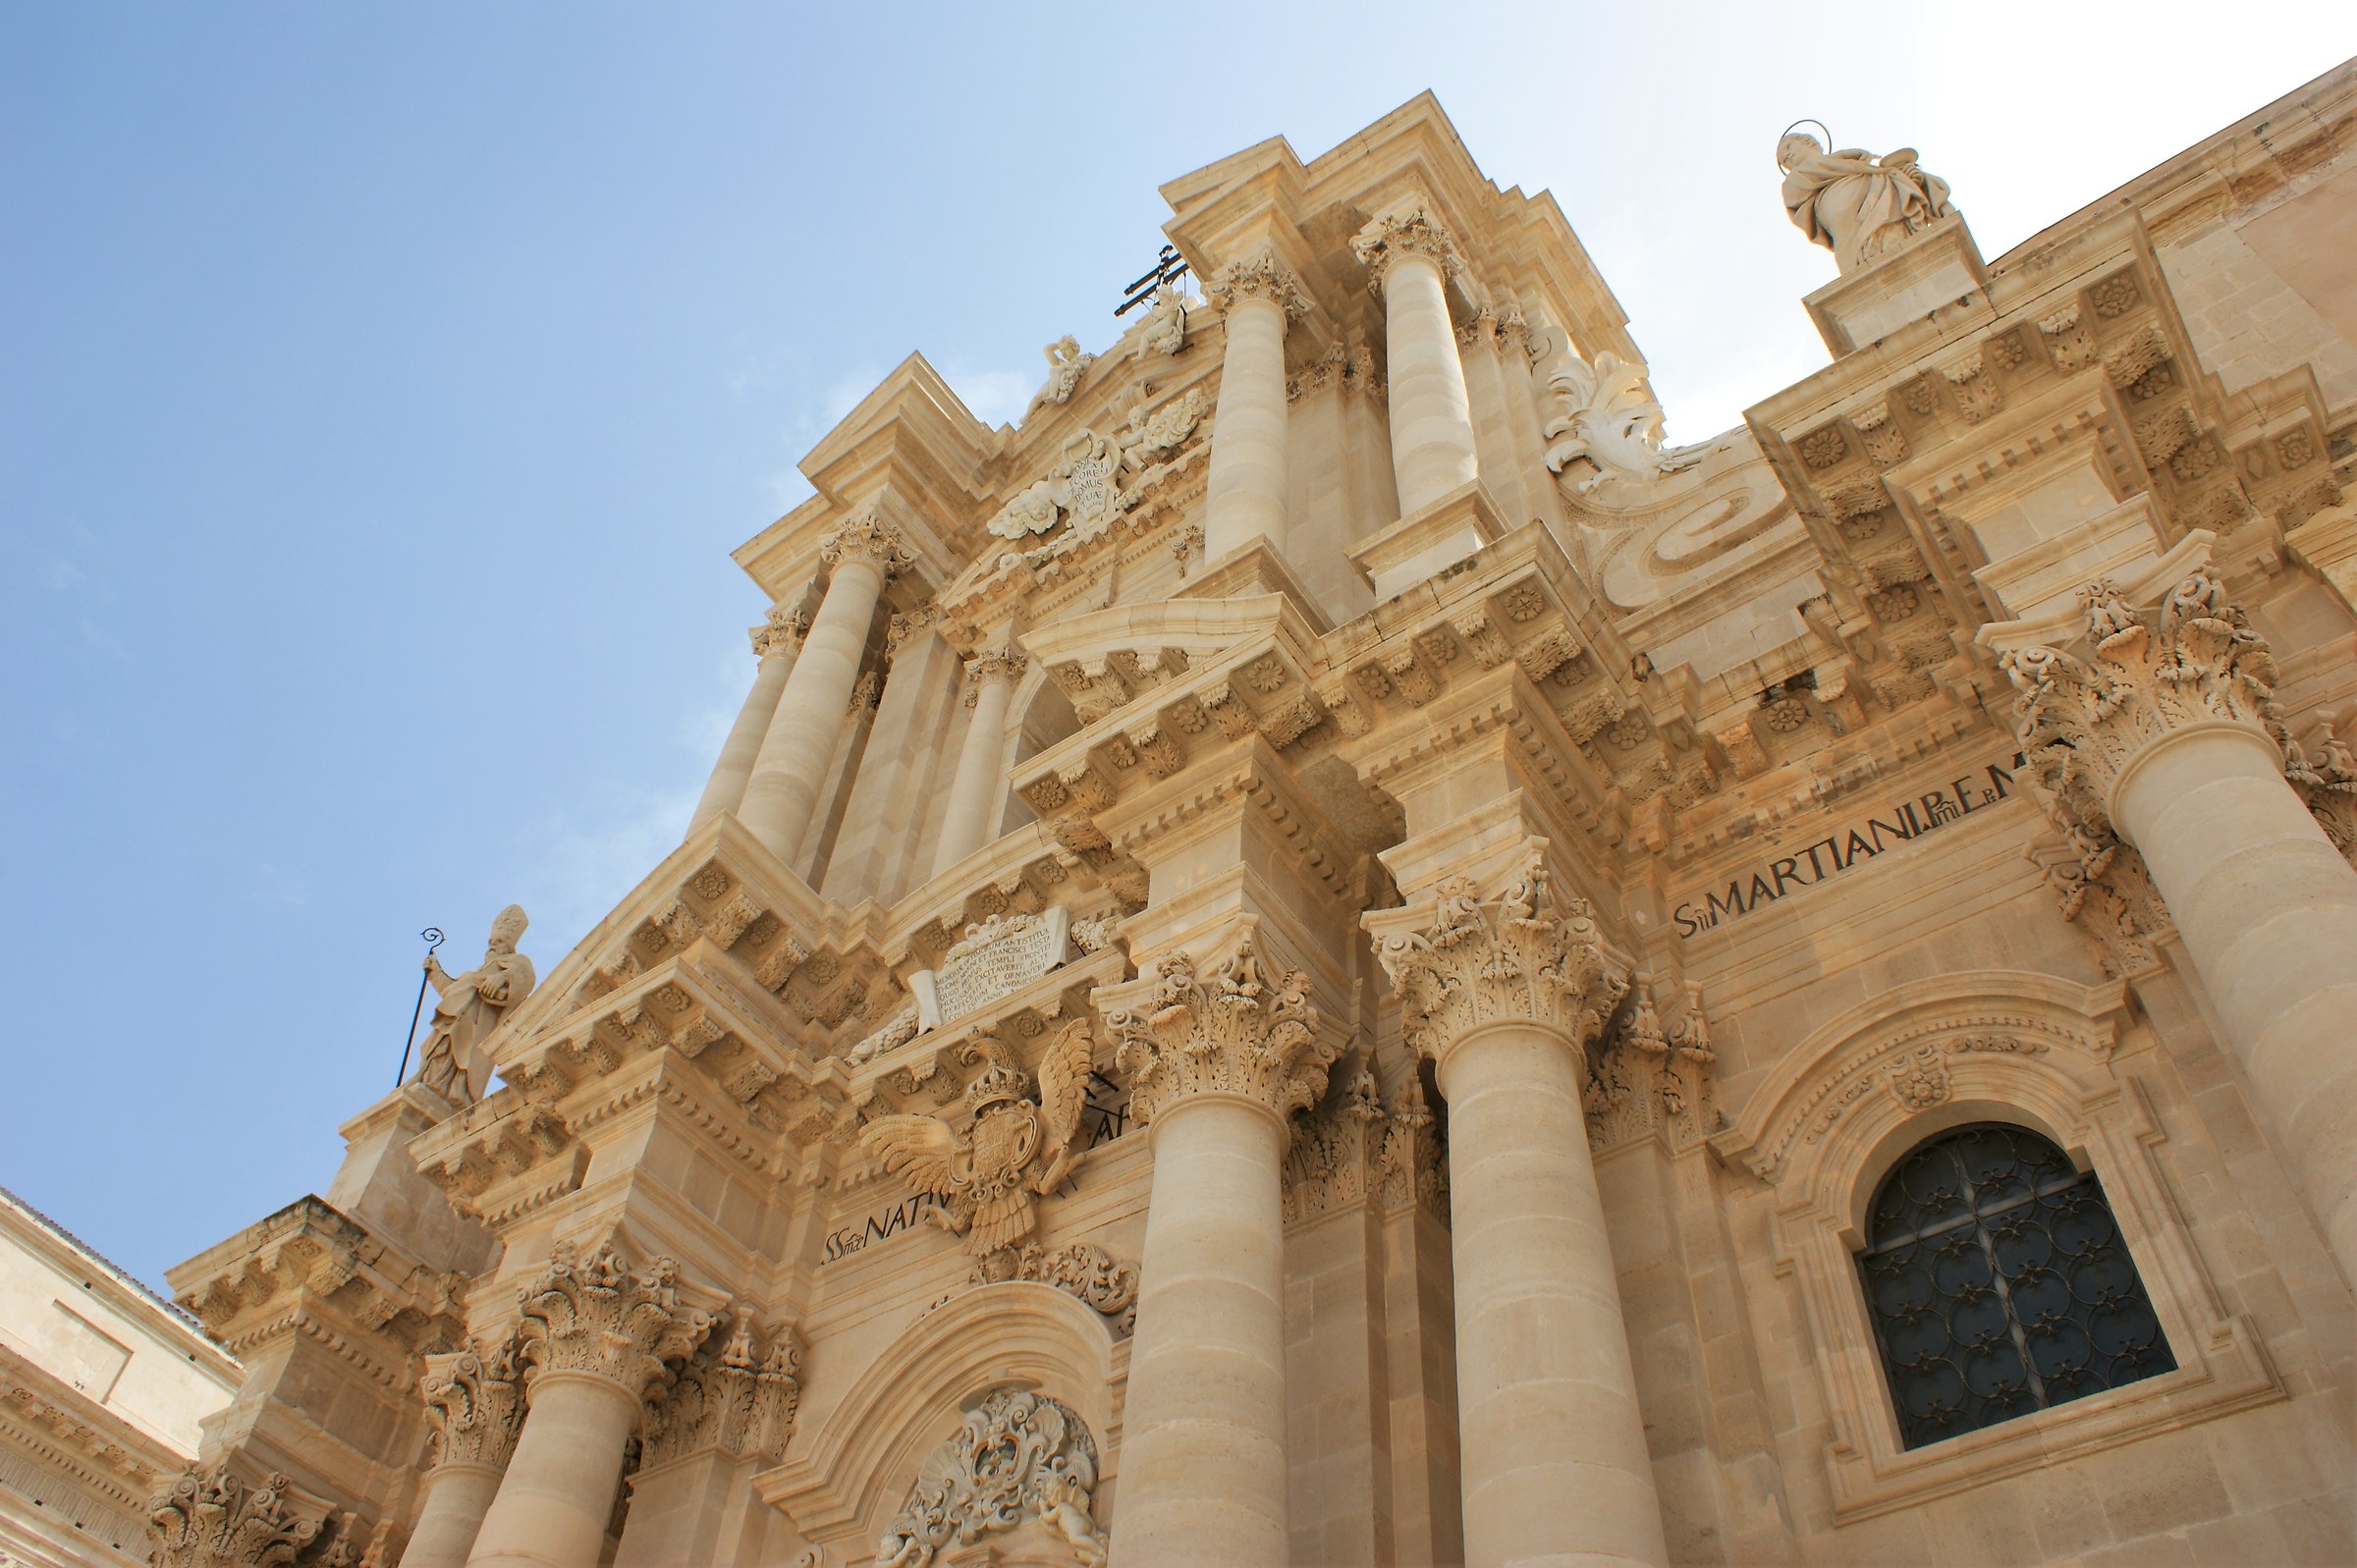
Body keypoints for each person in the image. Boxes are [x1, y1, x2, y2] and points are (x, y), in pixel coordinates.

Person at [1779, 131, 1953, 275]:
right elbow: (1812, 175)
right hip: (1849, 231)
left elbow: (1894, 182)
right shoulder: (1795, 181)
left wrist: (1907, 178)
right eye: (1785, 155)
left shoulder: (1859, 166)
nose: (1787, 155)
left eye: (1789, 146)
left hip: (1887, 218)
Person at [414, 904, 535, 1104]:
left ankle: (456, 1092)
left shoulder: (517, 962)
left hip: (478, 1024)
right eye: (491, 941)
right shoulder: (474, 975)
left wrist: (503, 977)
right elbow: (451, 992)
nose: (493, 945)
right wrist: (435, 973)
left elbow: (524, 979)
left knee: (465, 1058)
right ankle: (434, 1084)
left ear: (509, 945)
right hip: (454, 1021)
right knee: (439, 1052)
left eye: (499, 941)